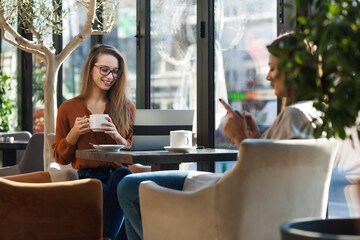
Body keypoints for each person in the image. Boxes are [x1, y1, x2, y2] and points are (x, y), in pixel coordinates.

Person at [117, 32, 320, 240]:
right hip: (230, 189)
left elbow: (262, 182)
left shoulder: (294, 115)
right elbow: (277, 170)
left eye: (273, 68)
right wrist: (256, 138)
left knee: (129, 187)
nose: (267, 76)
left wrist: (242, 139)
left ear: (294, 69)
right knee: (128, 182)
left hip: (228, 197)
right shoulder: (314, 114)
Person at [53, 44, 143, 240]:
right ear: (90, 69)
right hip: (88, 176)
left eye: (116, 72)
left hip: (119, 173)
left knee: (124, 176)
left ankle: (105, 237)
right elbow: (60, 158)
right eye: (105, 70)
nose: (110, 76)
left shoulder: (127, 108)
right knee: (110, 191)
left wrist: (118, 138)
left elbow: (134, 155)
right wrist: (74, 134)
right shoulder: (68, 108)